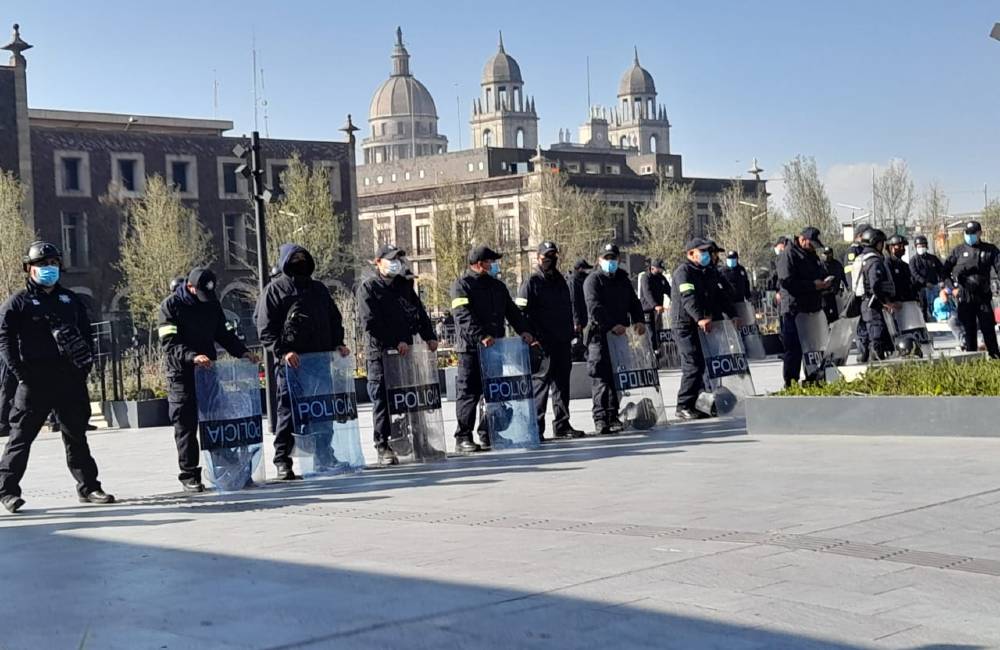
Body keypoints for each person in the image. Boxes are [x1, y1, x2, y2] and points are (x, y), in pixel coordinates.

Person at [0, 241, 114, 513]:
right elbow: (4, 340)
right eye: (41, 265)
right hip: (34, 380)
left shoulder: (69, 299)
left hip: (69, 380)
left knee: (76, 436)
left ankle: (89, 487)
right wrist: (20, 374)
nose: (47, 269)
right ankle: (7, 491)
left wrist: (84, 366)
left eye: (52, 263)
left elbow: (86, 334)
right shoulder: (18, 302)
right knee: (21, 437)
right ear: (29, 268)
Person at [256, 244, 351, 480]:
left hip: (319, 361)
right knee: (288, 412)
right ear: (285, 261)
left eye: (302, 257)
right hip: (292, 365)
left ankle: (323, 456)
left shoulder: (317, 289)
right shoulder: (274, 290)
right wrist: (282, 352)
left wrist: (338, 342)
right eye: (294, 258)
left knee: (322, 411)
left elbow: (333, 318)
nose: (299, 261)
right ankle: (283, 460)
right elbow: (265, 329)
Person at [158, 267, 257, 493]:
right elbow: (169, 343)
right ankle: (190, 473)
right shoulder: (170, 307)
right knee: (186, 424)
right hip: (182, 374)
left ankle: (226, 463)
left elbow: (223, 333)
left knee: (216, 419)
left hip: (208, 372)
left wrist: (242, 352)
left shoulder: (211, 303)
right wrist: (192, 357)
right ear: (190, 287)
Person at [357, 244, 438, 465]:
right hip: (381, 353)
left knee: (411, 398)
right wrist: (395, 342)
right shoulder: (369, 287)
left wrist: (429, 336)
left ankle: (421, 442)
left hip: (406, 352)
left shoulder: (403, 285)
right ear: (378, 262)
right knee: (382, 400)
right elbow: (370, 323)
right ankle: (383, 445)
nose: (396, 263)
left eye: (398, 259)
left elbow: (418, 312)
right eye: (391, 259)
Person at [450, 245, 534, 452]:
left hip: (495, 349)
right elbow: (462, 316)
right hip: (470, 349)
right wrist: (481, 336)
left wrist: (523, 330)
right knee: (469, 393)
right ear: (480, 264)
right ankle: (463, 437)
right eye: (491, 261)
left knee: (494, 394)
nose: (494, 265)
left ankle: (490, 433)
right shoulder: (461, 285)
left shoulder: (497, 286)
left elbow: (512, 311)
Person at [516, 242, 585, 441]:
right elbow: (520, 313)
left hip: (562, 341)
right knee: (541, 386)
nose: (549, 259)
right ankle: (536, 428)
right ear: (538, 258)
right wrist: (532, 337)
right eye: (545, 256)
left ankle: (562, 425)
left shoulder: (560, 280)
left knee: (562, 386)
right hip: (542, 344)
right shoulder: (531, 282)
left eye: (553, 255)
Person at [583, 243, 646, 436]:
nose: (611, 262)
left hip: (620, 337)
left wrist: (639, 320)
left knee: (617, 377)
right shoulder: (593, 280)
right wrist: (611, 325)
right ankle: (601, 418)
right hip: (600, 336)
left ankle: (613, 415)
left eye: (614, 258)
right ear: (599, 260)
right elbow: (594, 308)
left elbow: (634, 302)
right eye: (607, 258)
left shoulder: (623, 279)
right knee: (601, 378)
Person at [671, 238, 737, 420]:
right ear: (691, 253)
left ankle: (700, 403)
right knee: (693, 365)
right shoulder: (683, 272)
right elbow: (688, 297)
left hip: (704, 325)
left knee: (705, 364)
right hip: (685, 325)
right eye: (703, 252)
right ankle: (683, 405)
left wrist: (733, 314)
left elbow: (721, 295)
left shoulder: (708, 271)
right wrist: (699, 317)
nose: (707, 255)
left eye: (708, 252)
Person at [776, 227, 831, 387]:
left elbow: (819, 272)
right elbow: (787, 282)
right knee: (794, 349)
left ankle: (812, 377)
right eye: (811, 243)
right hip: (794, 310)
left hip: (811, 309)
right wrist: (812, 285)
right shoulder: (789, 254)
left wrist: (824, 282)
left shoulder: (811, 254)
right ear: (802, 239)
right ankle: (790, 382)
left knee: (812, 347)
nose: (814, 247)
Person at [943, 220, 1000, 358]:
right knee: (969, 330)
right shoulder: (958, 251)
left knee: (988, 328)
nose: (970, 236)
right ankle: (971, 359)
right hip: (965, 296)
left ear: (979, 233)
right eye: (967, 233)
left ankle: (995, 358)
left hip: (983, 295)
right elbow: (944, 271)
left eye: (973, 233)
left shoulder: (990, 250)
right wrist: (951, 289)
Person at [856, 229, 897, 360]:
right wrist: (885, 302)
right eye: (881, 243)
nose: (883, 246)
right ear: (876, 243)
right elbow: (875, 286)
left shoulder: (862, 258)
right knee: (876, 340)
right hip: (873, 305)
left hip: (867, 304)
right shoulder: (874, 261)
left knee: (873, 338)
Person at [845, 225, 871, 361]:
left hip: (865, 293)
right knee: (860, 325)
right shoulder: (853, 251)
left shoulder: (865, 250)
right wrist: (853, 291)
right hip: (856, 294)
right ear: (860, 235)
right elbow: (849, 273)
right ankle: (863, 351)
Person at [638, 258, 671, 351]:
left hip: (658, 311)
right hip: (647, 311)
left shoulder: (661, 278)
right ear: (653, 268)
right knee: (650, 333)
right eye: (659, 269)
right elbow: (647, 293)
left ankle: (659, 351)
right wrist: (655, 305)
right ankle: (650, 353)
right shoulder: (646, 277)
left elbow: (669, 290)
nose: (661, 271)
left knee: (659, 332)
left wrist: (676, 301)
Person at [909, 235, 943, 321]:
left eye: (923, 246)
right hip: (921, 289)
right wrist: (925, 283)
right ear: (916, 247)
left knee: (936, 306)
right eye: (919, 246)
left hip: (934, 287)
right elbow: (914, 274)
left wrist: (942, 281)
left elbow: (941, 270)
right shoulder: (913, 260)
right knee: (923, 308)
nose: (921, 248)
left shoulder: (933, 258)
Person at [567, 258, 593, 361]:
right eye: (585, 270)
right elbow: (573, 302)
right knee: (576, 341)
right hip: (576, 320)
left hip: (583, 319)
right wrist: (576, 321)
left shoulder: (580, 281)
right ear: (580, 269)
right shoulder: (573, 281)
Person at [819, 247, 848, 324]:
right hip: (823, 296)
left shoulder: (837, 264)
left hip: (835, 294)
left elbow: (843, 277)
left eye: (829, 253)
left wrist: (846, 287)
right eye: (825, 254)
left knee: (836, 316)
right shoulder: (819, 265)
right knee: (825, 316)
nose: (827, 256)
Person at [885, 235, 918, 303]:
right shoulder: (888, 263)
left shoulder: (904, 265)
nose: (902, 248)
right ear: (891, 248)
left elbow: (911, 282)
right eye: (899, 246)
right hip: (896, 302)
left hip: (908, 301)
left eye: (903, 246)